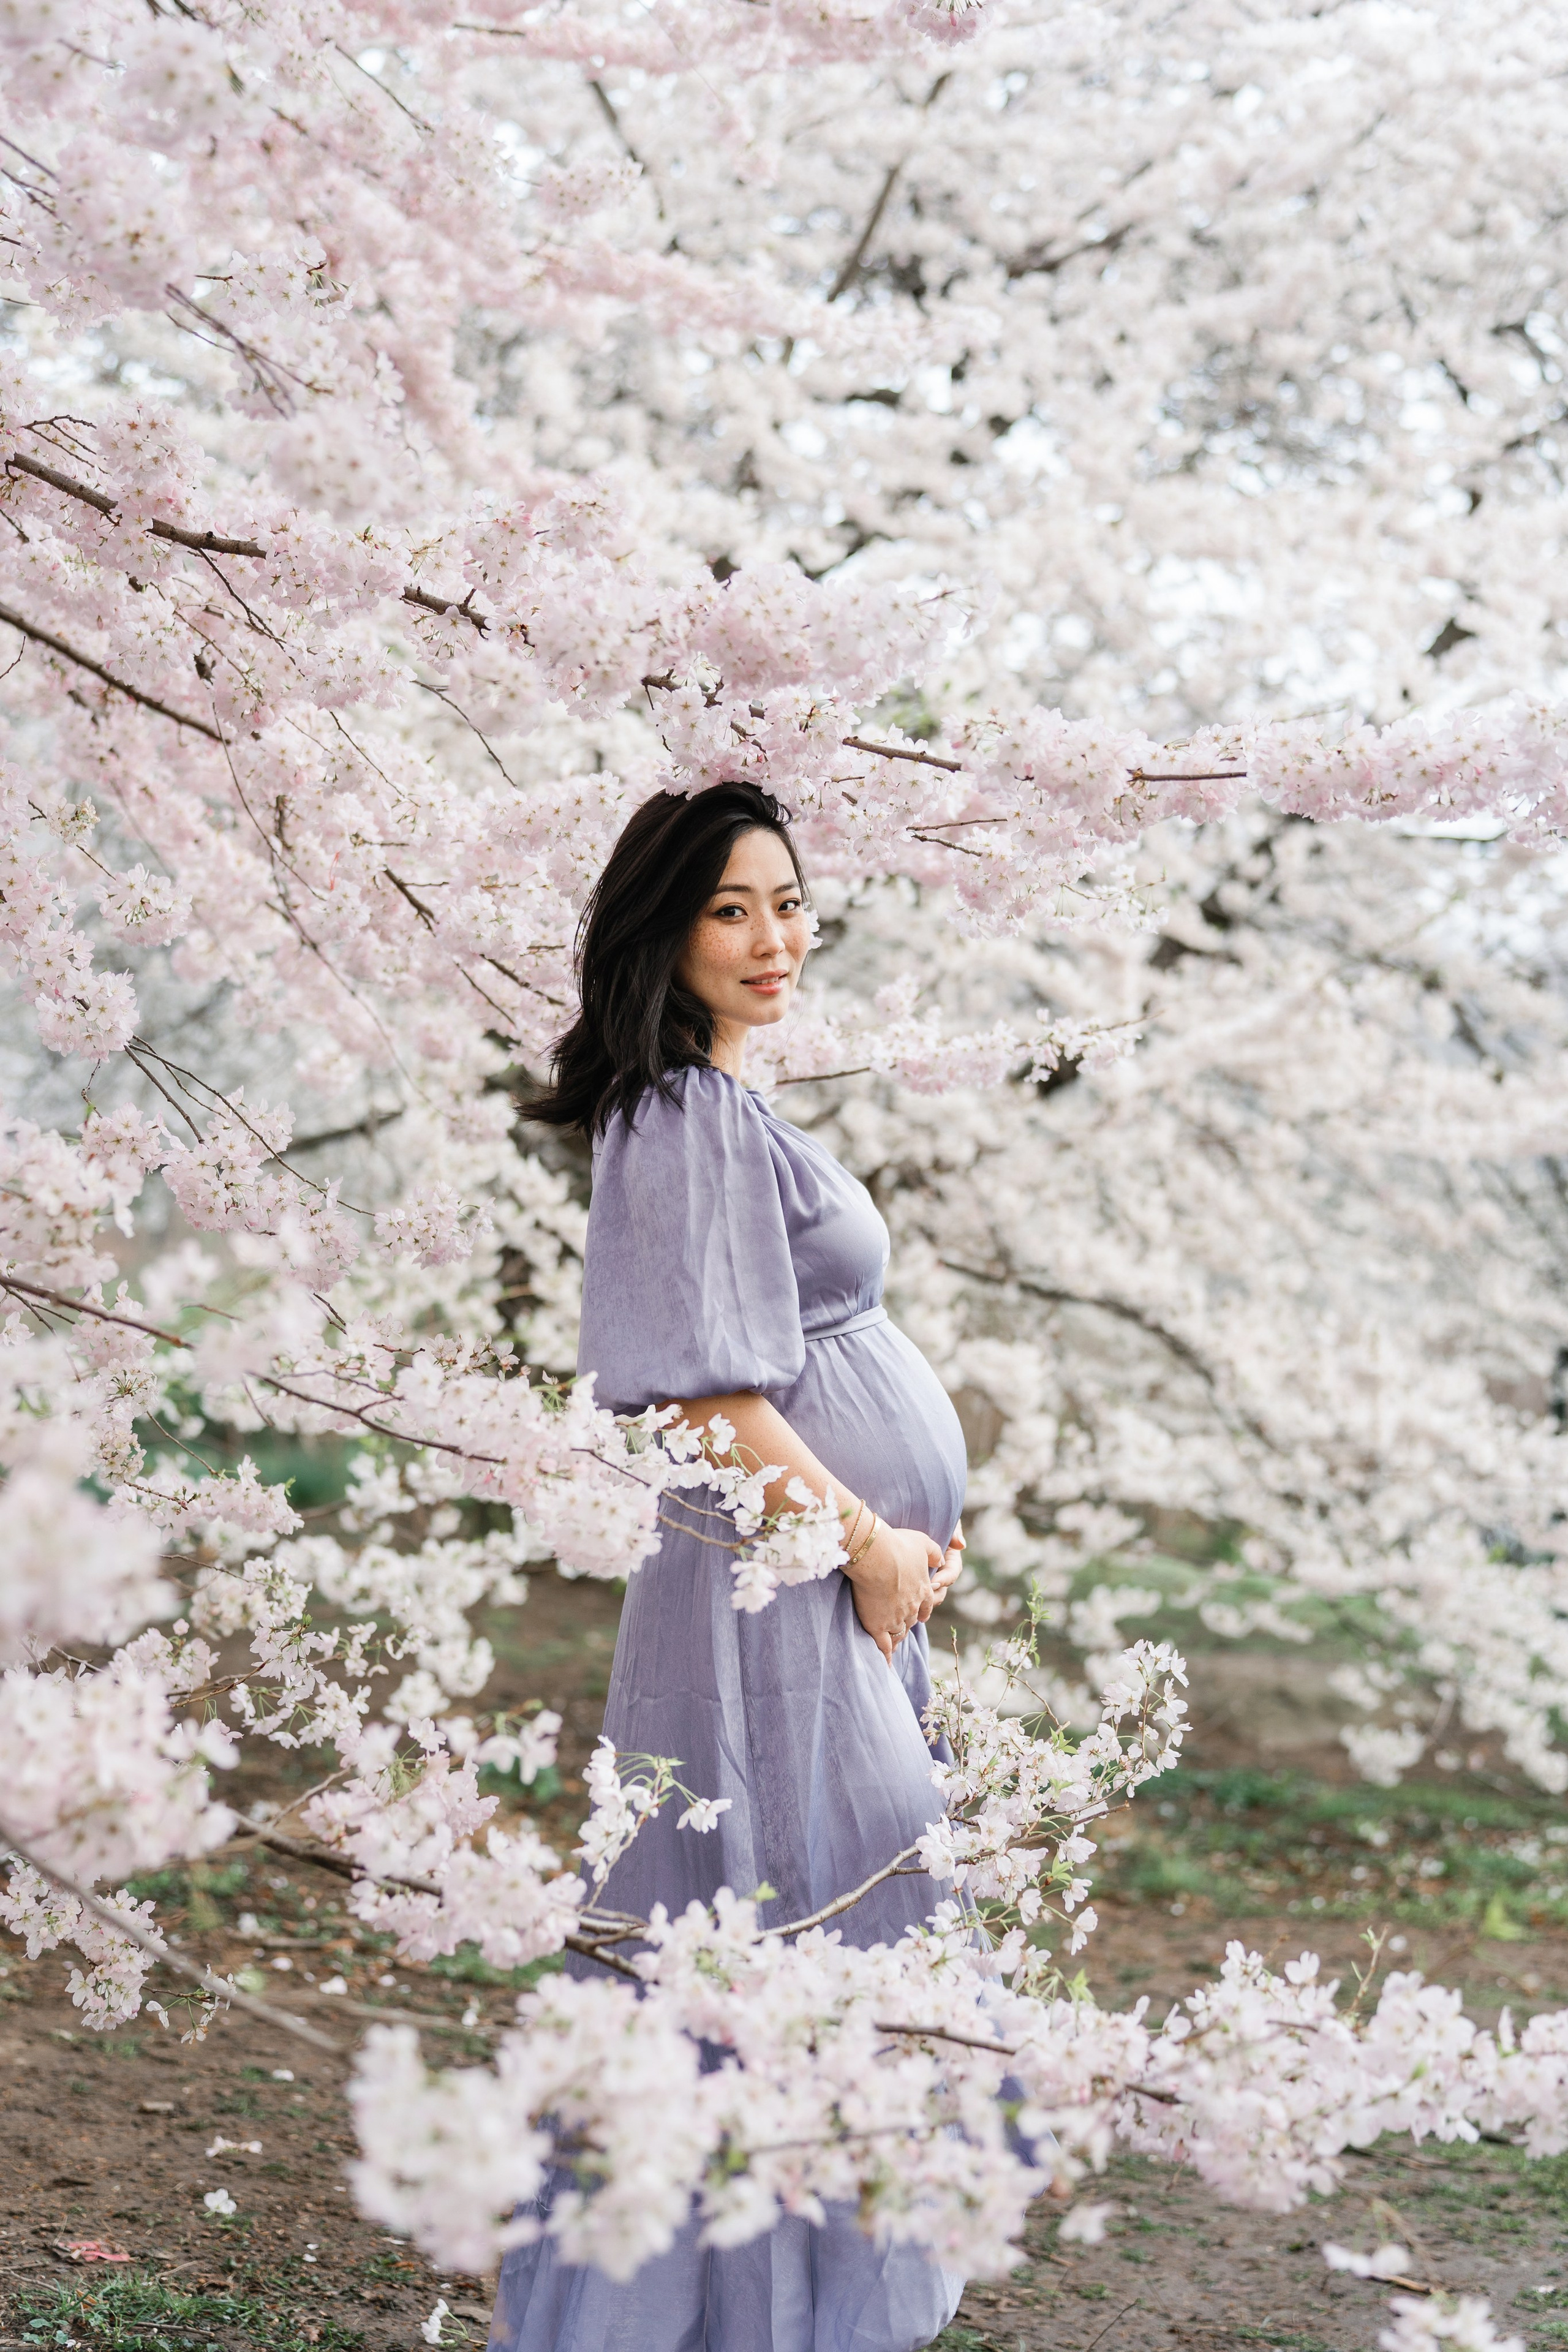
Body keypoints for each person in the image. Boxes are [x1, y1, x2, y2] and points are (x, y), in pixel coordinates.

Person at [488, 781, 970, 2352]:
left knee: (820, 1927)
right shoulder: (677, 1115)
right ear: (663, 930)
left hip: (813, 1582)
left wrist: (882, 1552)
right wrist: (867, 1542)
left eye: (788, 900)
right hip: (773, 1585)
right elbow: (706, 1396)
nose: (776, 938)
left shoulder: (729, 1102)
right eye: (729, 909)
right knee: (790, 1920)